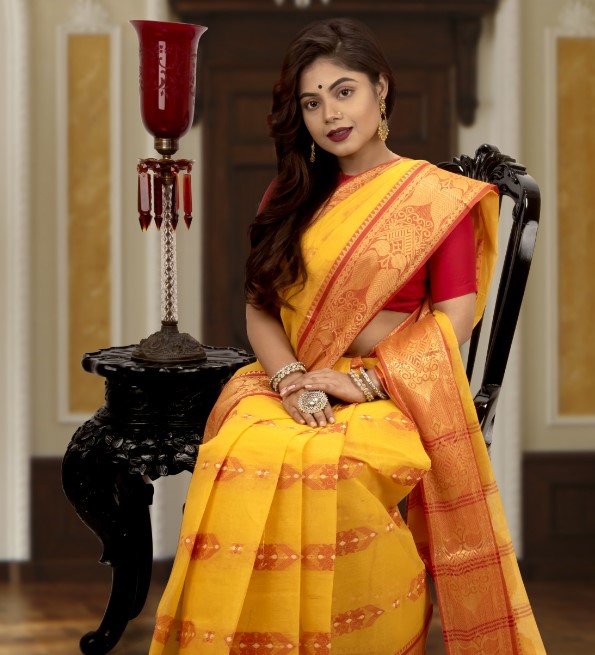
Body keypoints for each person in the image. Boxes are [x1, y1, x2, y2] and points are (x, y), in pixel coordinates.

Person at [149, 17, 545, 655]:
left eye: (343, 91)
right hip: (290, 379)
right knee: (241, 452)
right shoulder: (290, 193)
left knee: (332, 467)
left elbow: (454, 319)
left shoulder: (433, 199)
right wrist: (289, 381)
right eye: (311, 102)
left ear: (379, 90)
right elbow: (261, 311)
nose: (330, 114)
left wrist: (360, 378)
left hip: (388, 393)